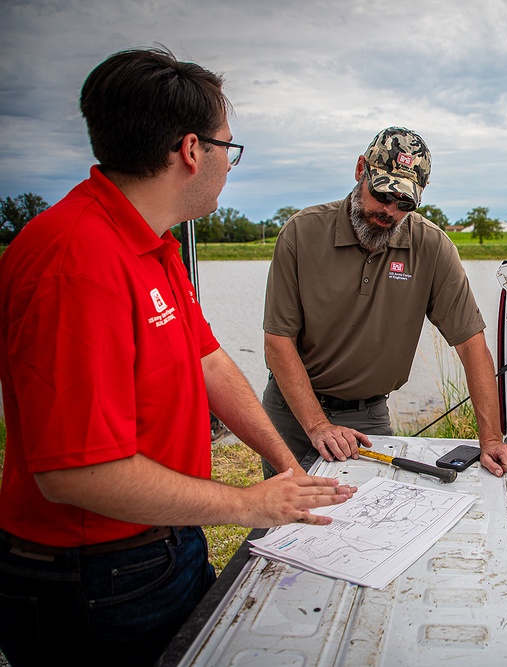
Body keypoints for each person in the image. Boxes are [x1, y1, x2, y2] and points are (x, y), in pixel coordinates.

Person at [0, 48, 356, 667]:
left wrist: (284, 466)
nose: (228, 164)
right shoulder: (76, 261)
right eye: (228, 147)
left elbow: (208, 362)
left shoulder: (152, 243)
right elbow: (76, 473)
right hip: (95, 578)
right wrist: (248, 502)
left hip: (163, 544)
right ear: (193, 151)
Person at [262, 127, 507, 478]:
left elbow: (471, 345)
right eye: (382, 193)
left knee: (372, 522)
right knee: (284, 522)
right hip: (292, 411)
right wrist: (317, 425)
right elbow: (278, 341)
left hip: (368, 415)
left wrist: (491, 439)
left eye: (404, 203)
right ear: (360, 170)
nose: (389, 210)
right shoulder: (301, 233)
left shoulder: (432, 247)